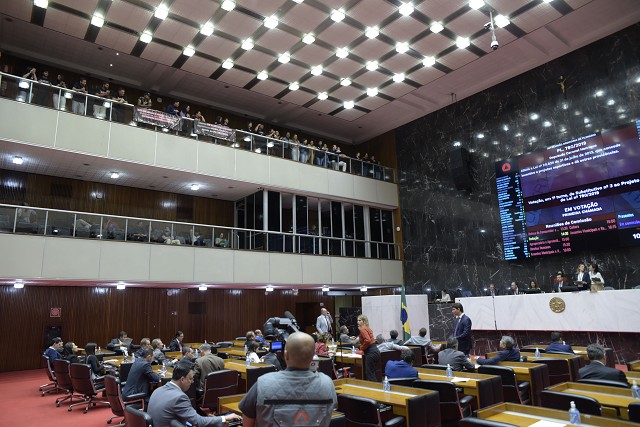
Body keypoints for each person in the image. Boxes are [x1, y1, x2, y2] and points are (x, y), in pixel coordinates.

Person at [238, 332, 336, 427]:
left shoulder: (262, 383)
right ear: (313, 356)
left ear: (286, 355)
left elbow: (248, 420)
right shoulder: (328, 383)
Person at [148, 361, 241, 427]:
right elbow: (199, 422)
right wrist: (225, 417)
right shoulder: (179, 397)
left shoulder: (158, 390)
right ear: (182, 379)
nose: (192, 382)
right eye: (191, 379)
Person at [357, 314, 380, 382]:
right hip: (375, 351)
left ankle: (374, 390)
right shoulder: (368, 328)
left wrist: (362, 348)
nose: (357, 322)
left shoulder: (363, 329)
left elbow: (367, 340)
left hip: (370, 352)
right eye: (357, 320)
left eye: (359, 320)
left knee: (370, 374)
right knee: (372, 373)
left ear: (364, 321)